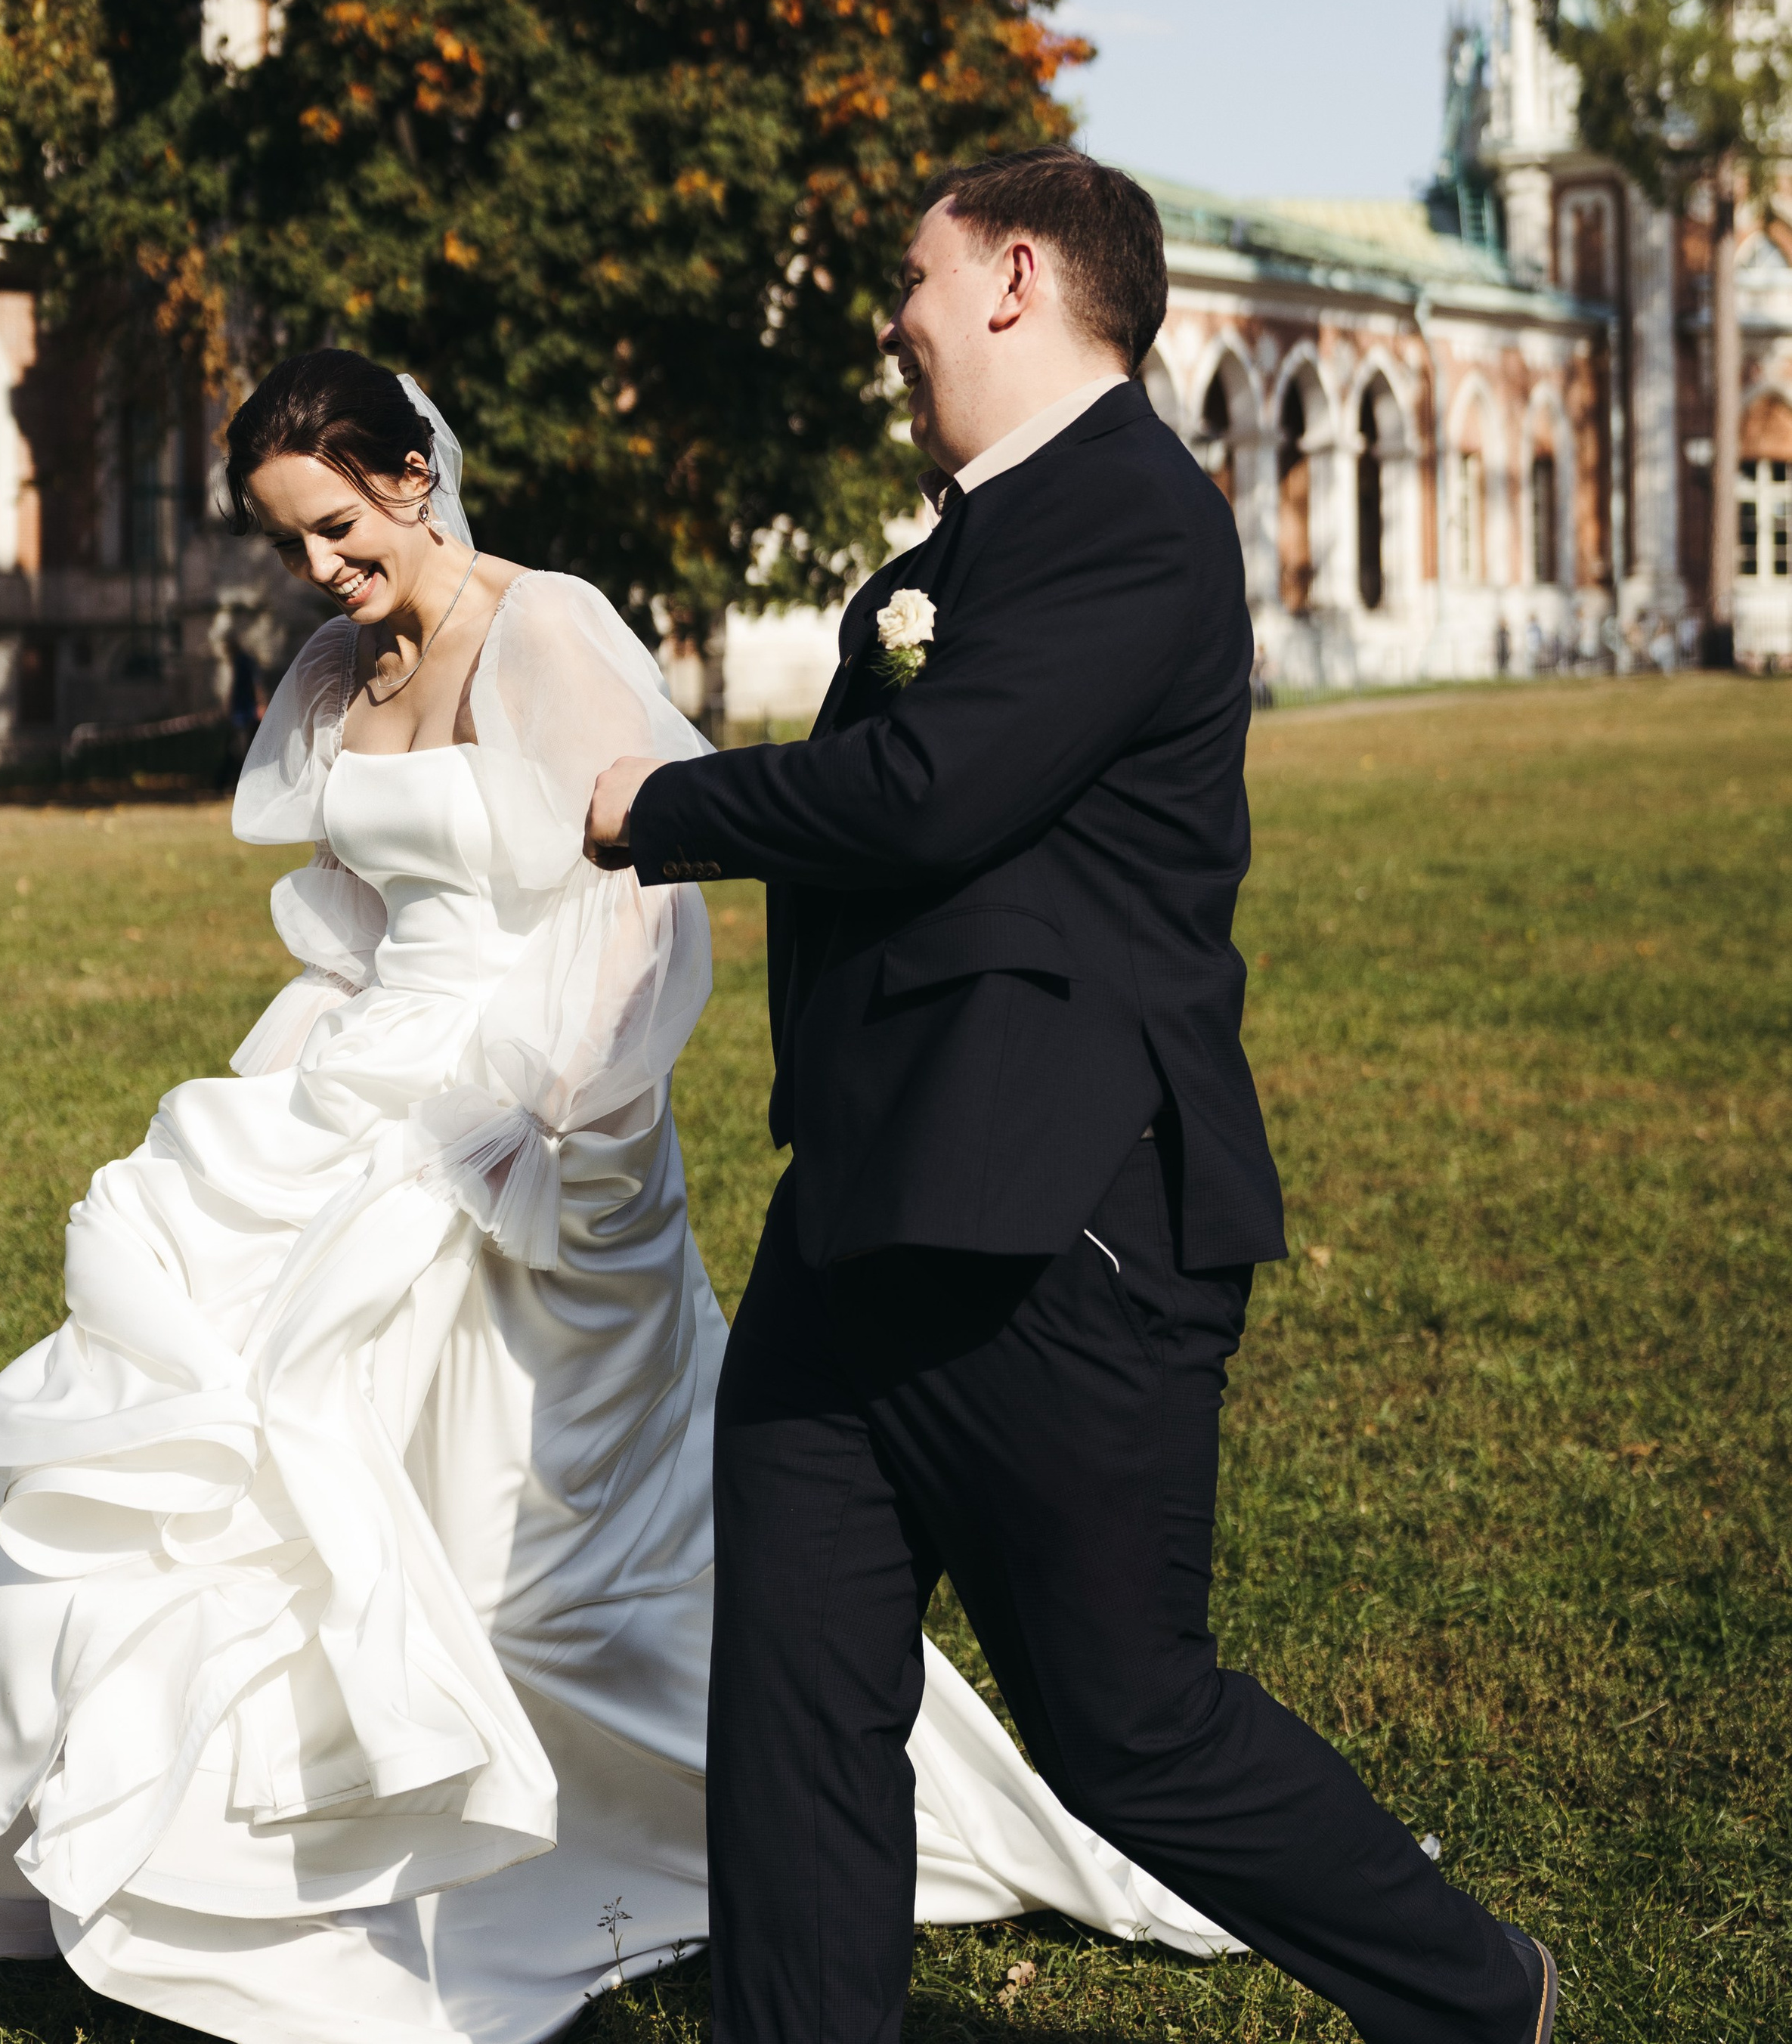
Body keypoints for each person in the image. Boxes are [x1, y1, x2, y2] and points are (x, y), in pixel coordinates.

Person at [0, 348, 1234, 2044]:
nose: (319, 569)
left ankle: (588, 1807)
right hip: (373, 1071)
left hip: (542, 1100)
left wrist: (558, 1115)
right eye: (289, 542)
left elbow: (649, 898)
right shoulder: (335, 668)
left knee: (506, 1498)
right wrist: (315, 1066)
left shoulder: (546, 627)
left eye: (337, 526)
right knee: (244, 1430)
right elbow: (357, 911)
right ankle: (281, 1839)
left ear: (413, 476)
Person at [587, 147, 1558, 2044]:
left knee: (1125, 1727)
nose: (893, 320)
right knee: (791, 1703)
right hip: (856, 1212)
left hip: (1056, 1226)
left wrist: (660, 807)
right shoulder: (945, 557)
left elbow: (928, 793)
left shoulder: (1134, 517)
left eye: (913, 279)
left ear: (1015, 277)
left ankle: (1473, 1995)